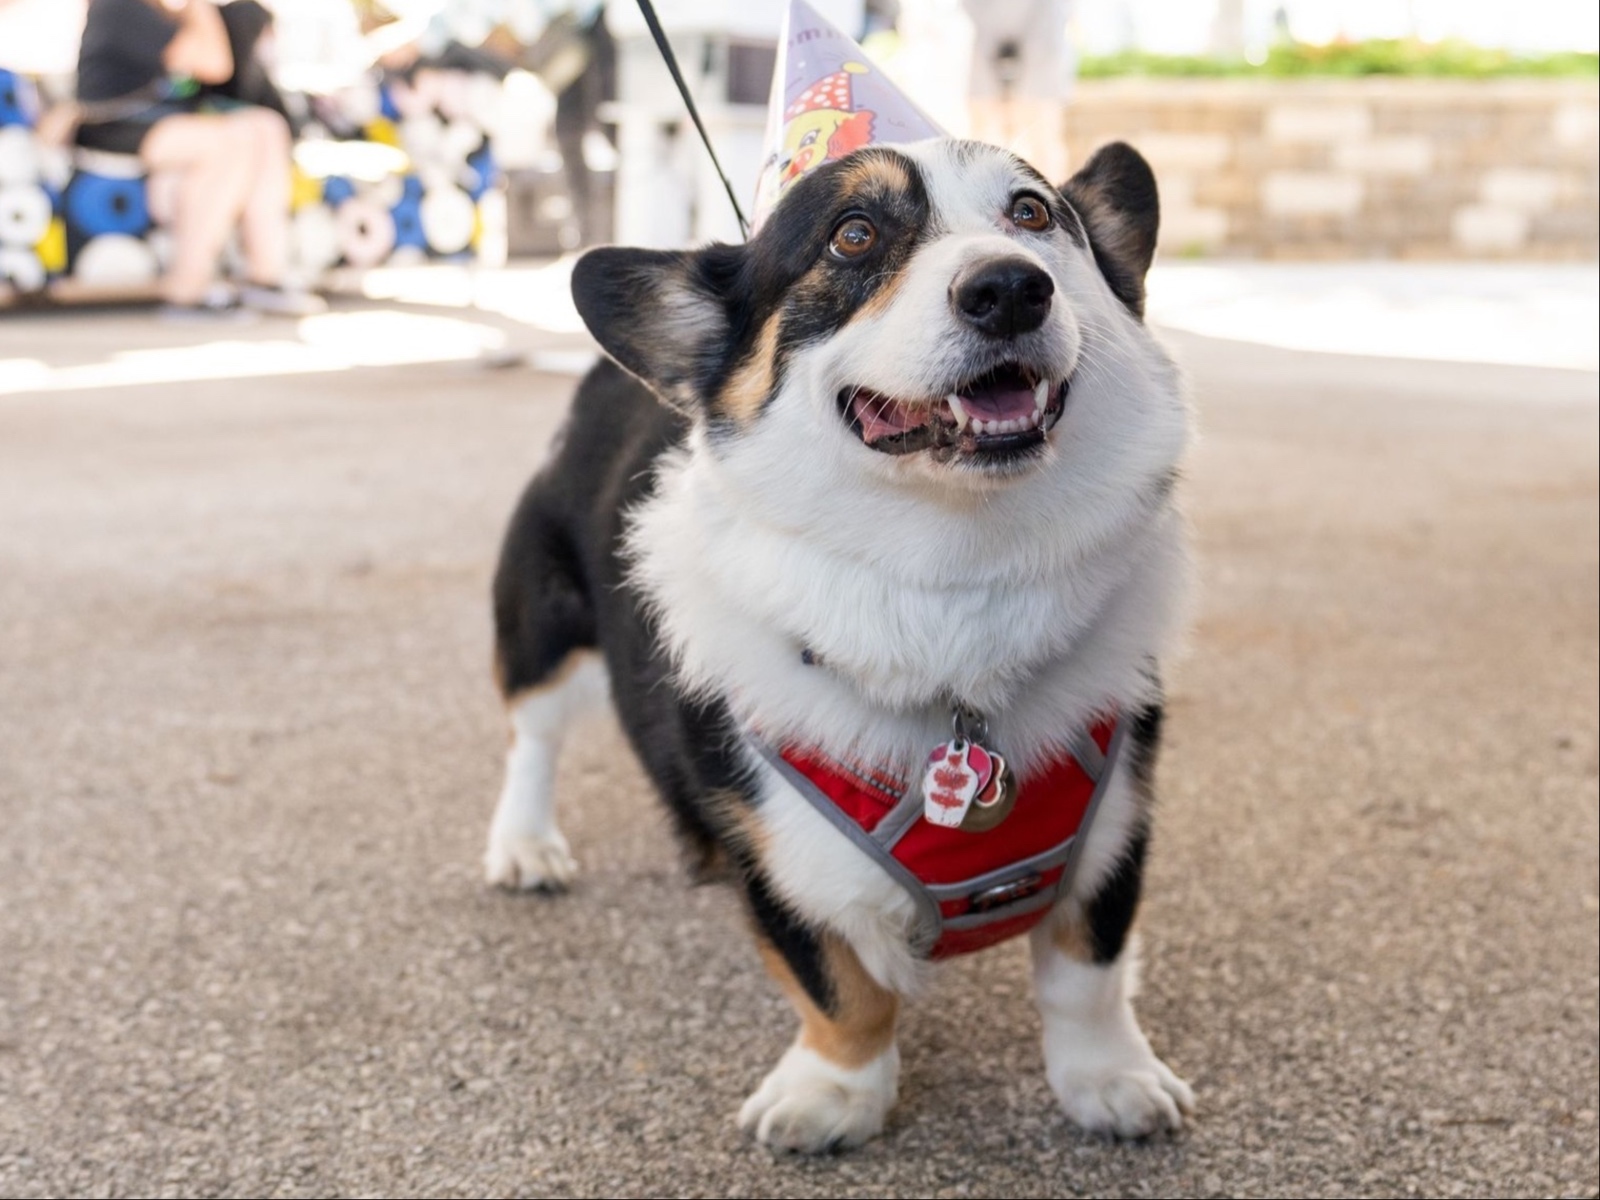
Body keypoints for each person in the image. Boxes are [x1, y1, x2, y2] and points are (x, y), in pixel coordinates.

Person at [74, 0, 323, 317]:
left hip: (163, 118)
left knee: (266, 127)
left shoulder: (169, 11)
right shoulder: (123, 6)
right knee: (229, 142)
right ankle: (187, 290)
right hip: (114, 121)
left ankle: (265, 276)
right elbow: (213, 63)